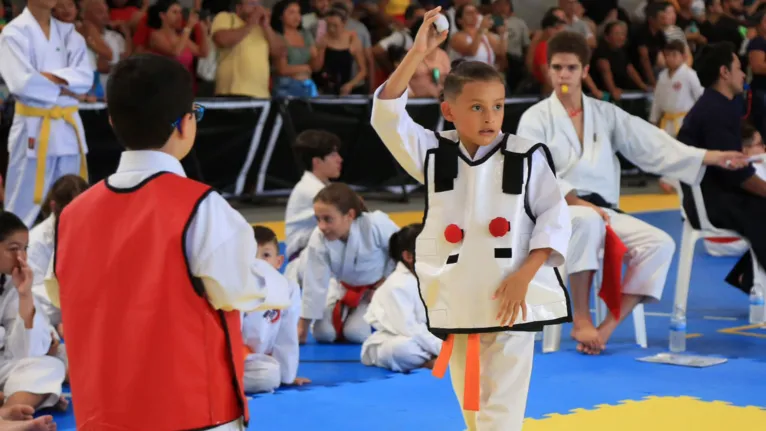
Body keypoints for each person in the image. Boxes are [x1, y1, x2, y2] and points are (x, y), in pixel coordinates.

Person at [44, 54, 290, 430]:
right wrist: (277, 281)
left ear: (112, 121)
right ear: (186, 123)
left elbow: (62, 296)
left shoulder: (72, 216)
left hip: (103, 414)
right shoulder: (200, 206)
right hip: (191, 412)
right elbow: (237, 289)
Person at [371, 8, 572, 430]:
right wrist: (419, 51)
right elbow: (386, 115)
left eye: (497, 106)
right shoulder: (433, 154)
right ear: (448, 111)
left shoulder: (526, 155)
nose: (489, 117)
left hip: (512, 295)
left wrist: (525, 275)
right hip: (459, 296)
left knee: (503, 410)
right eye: (476, 107)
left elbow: (555, 218)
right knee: (472, 407)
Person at [515, 31, 749, 355]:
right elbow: (535, 174)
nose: (563, 75)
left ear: (585, 71)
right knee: (585, 219)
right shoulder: (534, 119)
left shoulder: (605, 114)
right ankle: (580, 317)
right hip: (556, 214)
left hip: (605, 211)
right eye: (557, 68)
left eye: (571, 68)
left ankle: (606, 327)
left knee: (661, 244)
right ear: (548, 71)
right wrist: (578, 202)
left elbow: (651, 144)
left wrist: (710, 156)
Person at [678, 42, 766, 304]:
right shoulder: (714, 111)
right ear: (724, 73)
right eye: (739, 68)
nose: (743, 75)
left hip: (719, 193)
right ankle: (748, 279)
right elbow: (736, 175)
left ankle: (748, 278)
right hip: (710, 201)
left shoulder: (722, 105)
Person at [0, 0, 93, 227]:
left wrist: (46, 78)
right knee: (21, 205)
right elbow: (21, 84)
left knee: (73, 202)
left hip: (67, 128)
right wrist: (66, 85)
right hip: (32, 127)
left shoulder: (69, 33)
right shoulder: (13, 33)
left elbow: (85, 79)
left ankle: (65, 256)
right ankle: (11, 257)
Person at [297, 183, 398, 345]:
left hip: (376, 291)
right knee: (323, 334)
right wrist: (302, 327)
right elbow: (314, 282)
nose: (322, 226)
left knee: (356, 333)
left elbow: (402, 253)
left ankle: (381, 319)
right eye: (318, 219)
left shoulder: (375, 224)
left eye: (328, 219)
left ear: (349, 215)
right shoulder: (319, 237)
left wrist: (385, 284)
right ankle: (339, 307)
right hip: (343, 288)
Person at [0, 212, 67, 419]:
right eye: (13, 249)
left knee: (52, 364)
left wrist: (25, 294)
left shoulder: (12, 281)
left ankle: (6, 415)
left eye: (25, 248)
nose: (22, 257)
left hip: (4, 364)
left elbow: (26, 352)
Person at [361, 223, 442, 373]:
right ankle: (431, 362)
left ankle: (436, 359)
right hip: (393, 339)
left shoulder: (431, 279)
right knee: (403, 349)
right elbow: (410, 329)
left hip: (425, 339)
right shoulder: (397, 285)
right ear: (408, 256)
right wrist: (443, 349)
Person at [242, 226, 310, 393]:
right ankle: (222, 383)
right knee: (269, 377)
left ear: (279, 262)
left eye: (266, 255)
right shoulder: (236, 288)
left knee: (273, 375)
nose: (258, 262)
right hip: (234, 357)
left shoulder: (289, 289)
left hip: (258, 361)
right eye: (252, 255)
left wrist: (287, 375)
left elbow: (287, 334)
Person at [27, 174, 88, 329]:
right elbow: (33, 296)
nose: (80, 217)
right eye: (74, 211)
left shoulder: (93, 231)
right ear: (54, 207)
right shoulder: (36, 242)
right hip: (51, 322)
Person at [283, 130, 343, 284]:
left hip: (315, 259)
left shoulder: (321, 187)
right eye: (333, 155)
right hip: (305, 263)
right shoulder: (311, 190)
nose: (339, 159)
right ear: (317, 162)